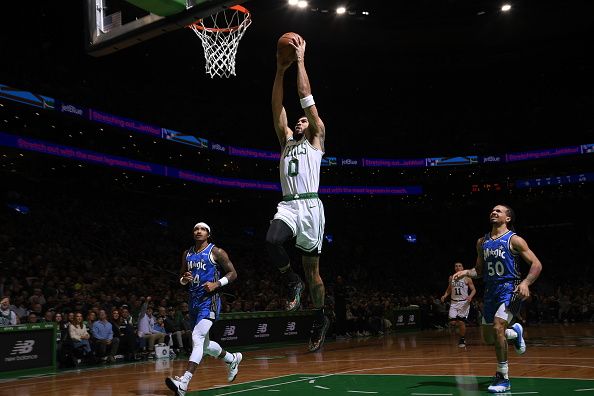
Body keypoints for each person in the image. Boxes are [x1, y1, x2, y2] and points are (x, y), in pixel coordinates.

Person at [267, 33, 329, 352]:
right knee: (272, 240)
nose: (301, 120)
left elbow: (306, 96)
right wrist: (280, 70)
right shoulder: (285, 142)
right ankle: (291, 282)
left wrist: (301, 62)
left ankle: (319, 316)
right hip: (289, 206)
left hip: (311, 208)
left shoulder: (317, 138)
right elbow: (277, 105)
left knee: (314, 273)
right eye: (298, 120)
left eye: (305, 118)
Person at [453, 204, 542, 393]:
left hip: (511, 288)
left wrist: (525, 283)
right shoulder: (481, 242)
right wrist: (465, 273)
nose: (494, 212)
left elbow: (536, 264)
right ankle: (515, 333)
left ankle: (503, 377)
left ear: (508, 218)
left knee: (498, 326)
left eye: (499, 211)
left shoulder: (515, 240)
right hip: (491, 291)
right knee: (488, 338)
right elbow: (479, 271)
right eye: (492, 210)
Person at [165, 222, 242, 396]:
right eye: (195, 229)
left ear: (208, 234)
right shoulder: (187, 253)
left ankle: (183, 382)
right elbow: (182, 278)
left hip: (210, 301)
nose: (198, 231)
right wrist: (185, 279)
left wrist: (217, 283)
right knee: (205, 345)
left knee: (197, 337)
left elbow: (233, 273)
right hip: (193, 301)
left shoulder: (216, 252)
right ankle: (232, 359)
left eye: (202, 229)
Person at [441, 262, 476, 347]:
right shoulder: (451, 277)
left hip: (463, 302)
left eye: (459, 266)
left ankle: (462, 339)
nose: (457, 267)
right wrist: (445, 295)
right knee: (452, 322)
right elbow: (449, 289)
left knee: (460, 321)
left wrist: (470, 296)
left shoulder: (467, 278)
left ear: (462, 268)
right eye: (456, 266)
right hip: (453, 302)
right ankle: (462, 327)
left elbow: (474, 290)